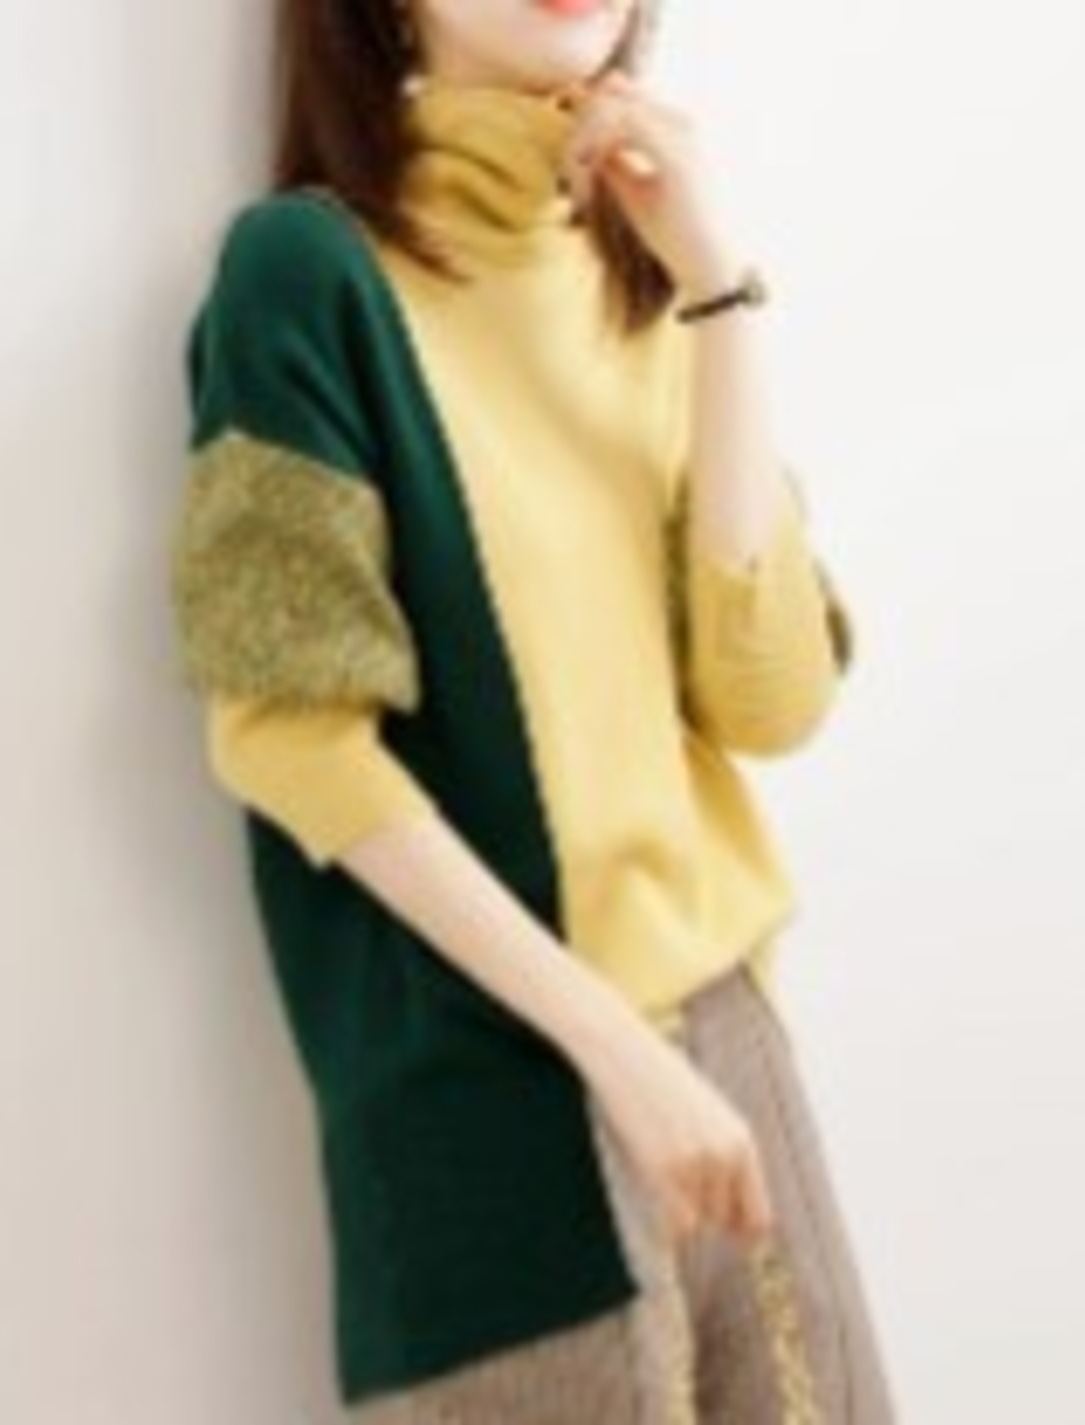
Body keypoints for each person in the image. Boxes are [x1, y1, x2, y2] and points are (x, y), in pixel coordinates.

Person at [167, 0, 900, 1418]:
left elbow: (766, 700)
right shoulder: (308, 272)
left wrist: (720, 293)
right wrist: (617, 1050)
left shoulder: (647, 265)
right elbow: (287, 735)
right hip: (497, 1086)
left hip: (730, 1038)